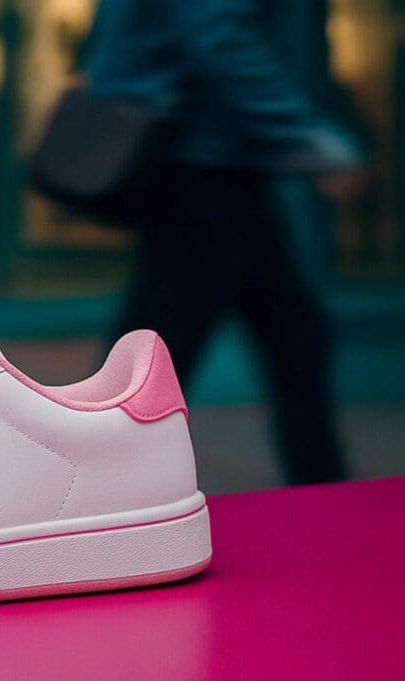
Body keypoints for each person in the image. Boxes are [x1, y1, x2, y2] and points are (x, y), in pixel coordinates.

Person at [83, 0, 366, 484]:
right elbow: (216, 32)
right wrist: (307, 137)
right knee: (152, 364)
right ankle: (87, 493)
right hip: (208, 170)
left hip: (223, 169)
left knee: (293, 344)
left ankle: (327, 503)